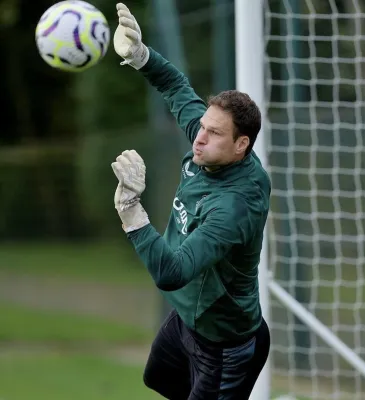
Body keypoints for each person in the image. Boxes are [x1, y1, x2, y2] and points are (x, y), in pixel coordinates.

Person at [111, 3, 271, 399]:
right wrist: (141, 55)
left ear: (241, 145)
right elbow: (176, 88)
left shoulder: (235, 207)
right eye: (202, 127)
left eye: (214, 133)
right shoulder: (209, 146)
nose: (199, 137)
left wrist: (131, 211)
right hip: (187, 321)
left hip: (223, 345)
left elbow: (171, 272)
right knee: (159, 379)